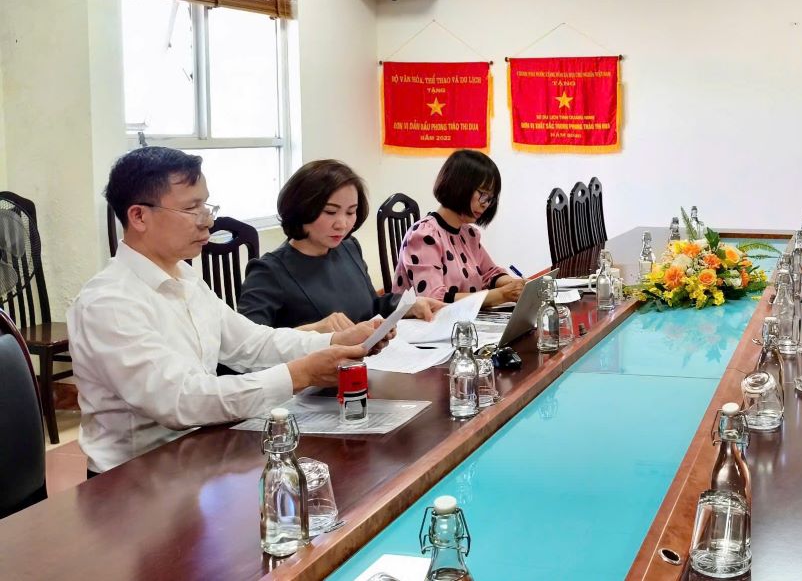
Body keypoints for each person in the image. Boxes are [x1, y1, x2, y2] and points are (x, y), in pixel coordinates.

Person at [69, 147, 393, 474]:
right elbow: (182, 401)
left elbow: (251, 344)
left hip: (199, 452)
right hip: (133, 478)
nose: (207, 221)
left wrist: (335, 341)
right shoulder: (109, 302)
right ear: (139, 216)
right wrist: (301, 374)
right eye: (192, 208)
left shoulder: (186, 278)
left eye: (206, 205)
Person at [238, 159, 442, 330]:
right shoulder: (269, 271)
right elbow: (248, 347)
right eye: (330, 212)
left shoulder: (349, 247)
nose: (342, 224)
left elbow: (371, 306)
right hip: (315, 373)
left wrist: (408, 305)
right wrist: (314, 330)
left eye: (351, 212)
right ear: (301, 209)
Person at [393, 149, 524, 307]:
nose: (485, 204)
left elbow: (490, 273)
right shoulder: (424, 235)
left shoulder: (469, 234)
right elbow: (435, 299)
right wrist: (501, 295)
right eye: (482, 194)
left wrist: (514, 285)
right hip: (426, 326)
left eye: (490, 199)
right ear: (459, 185)